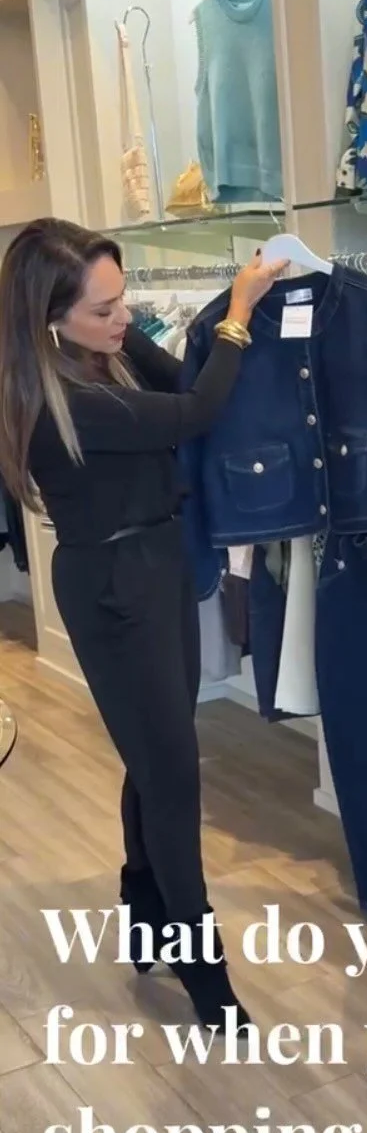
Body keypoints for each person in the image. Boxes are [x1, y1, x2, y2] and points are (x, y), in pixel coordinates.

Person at [0, 218, 287, 1032]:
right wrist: (239, 308)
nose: (122, 317)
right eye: (103, 309)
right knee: (171, 775)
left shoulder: (106, 355)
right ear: (49, 318)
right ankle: (201, 966)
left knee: (156, 757)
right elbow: (197, 410)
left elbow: (185, 379)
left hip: (155, 565)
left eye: (121, 300)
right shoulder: (65, 399)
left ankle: (146, 910)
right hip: (114, 586)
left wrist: (193, 328)